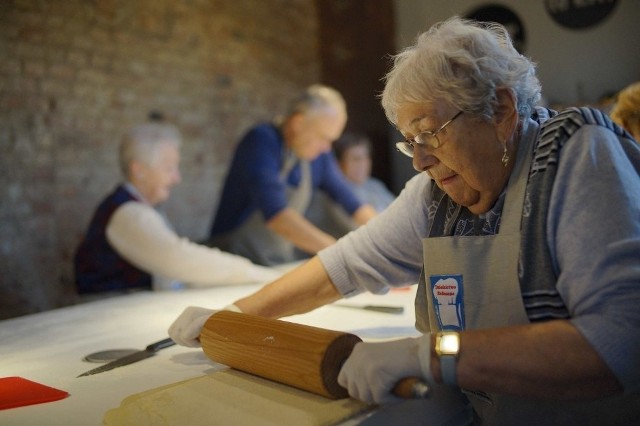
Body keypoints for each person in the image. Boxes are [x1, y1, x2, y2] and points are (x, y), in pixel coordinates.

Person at [169, 17, 640, 423]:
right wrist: (235, 317)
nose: (418, 161)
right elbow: (345, 265)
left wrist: (433, 354)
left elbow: (616, 341)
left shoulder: (579, 156)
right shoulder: (437, 195)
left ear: (500, 111)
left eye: (429, 135)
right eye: (409, 141)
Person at [74, 119, 281, 294]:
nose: (177, 178)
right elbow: (180, 259)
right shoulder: (129, 215)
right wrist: (256, 274)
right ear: (139, 170)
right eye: (169, 168)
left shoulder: (136, 208)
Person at [207, 85, 377, 266]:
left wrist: (382, 239)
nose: (327, 148)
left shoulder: (319, 154)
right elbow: (278, 217)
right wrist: (342, 255)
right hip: (232, 261)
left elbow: (352, 203)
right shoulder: (261, 141)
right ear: (298, 123)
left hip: (275, 261)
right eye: (323, 137)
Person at [333, 132, 395, 212]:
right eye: (356, 159)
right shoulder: (337, 194)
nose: (363, 164)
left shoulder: (375, 185)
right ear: (339, 163)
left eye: (366, 157)